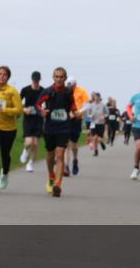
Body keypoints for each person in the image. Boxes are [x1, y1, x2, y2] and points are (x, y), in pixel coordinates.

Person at [36, 67, 78, 198]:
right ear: (53, 78)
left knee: (60, 154)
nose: (59, 79)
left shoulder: (68, 92)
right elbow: (37, 105)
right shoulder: (47, 91)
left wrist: (75, 113)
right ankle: (50, 176)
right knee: (50, 155)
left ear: (65, 78)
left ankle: (58, 185)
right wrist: (41, 112)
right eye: (56, 77)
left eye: (61, 77)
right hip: (50, 127)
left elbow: (73, 106)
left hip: (64, 127)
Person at [19, 71, 45, 172]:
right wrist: (24, 109)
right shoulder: (25, 90)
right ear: (32, 80)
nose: (36, 82)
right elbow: (17, 102)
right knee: (29, 142)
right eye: (34, 80)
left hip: (38, 119)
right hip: (28, 119)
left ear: (39, 80)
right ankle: (25, 151)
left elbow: (47, 104)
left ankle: (30, 163)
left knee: (35, 144)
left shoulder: (43, 91)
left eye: (37, 80)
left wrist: (44, 111)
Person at [65, 76, 90, 176]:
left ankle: (75, 160)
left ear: (75, 85)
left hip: (77, 119)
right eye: (68, 86)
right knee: (66, 144)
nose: (70, 88)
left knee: (73, 145)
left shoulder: (81, 91)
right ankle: (66, 167)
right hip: (67, 119)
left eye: (72, 86)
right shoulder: (65, 91)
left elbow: (87, 104)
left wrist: (78, 112)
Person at [84, 92, 107, 156]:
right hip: (93, 123)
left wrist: (104, 116)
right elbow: (88, 114)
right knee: (94, 137)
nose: (96, 98)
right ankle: (95, 151)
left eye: (97, 97)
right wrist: (90, 116)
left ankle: (101, 142)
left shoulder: (103, 105)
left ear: (99, 98)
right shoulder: (91, 105)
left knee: (99, 138)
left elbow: (107, 113)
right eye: (95, 97)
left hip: (100, 123)